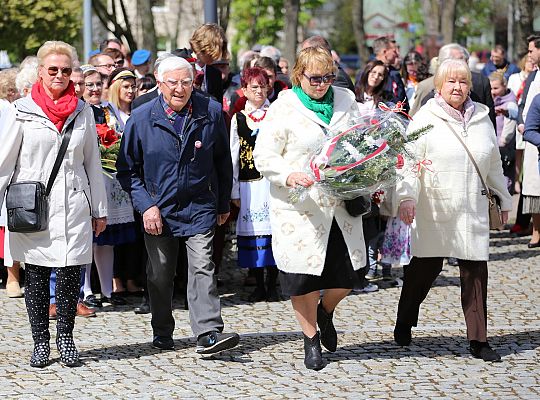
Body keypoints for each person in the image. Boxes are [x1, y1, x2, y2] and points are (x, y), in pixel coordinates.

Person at [116, 56, 240, 354]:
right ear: (160, 84)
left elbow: (223, 161)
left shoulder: (210, 111)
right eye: (173, 82)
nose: (180, 89)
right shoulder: (142, 118)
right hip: (159, 208)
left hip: (199, 205)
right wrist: (146, 206)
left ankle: (208, 331)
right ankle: (162, 328)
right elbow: (127, 169)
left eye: (186, 82)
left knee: (203, 267)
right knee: (159, 273)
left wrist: (222, 202)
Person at [253, 46, 366, 370]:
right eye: (315, 78)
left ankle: (325, 311)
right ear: (298, 76)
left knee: (347, 277)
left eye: (328, 77)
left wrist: (364, 168)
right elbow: (265, 155)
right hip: (300, 208)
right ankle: (310, 338)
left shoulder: (346, 100)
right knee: (301, 279)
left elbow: (359, 143)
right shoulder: (284, 107)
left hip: (340, 205)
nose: (322, 84)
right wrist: (288, 174)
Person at [393, 59, 512, 362]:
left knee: (475, 272)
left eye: (463, 81)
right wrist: (406, 198)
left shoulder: (483, 118)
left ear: (470, 86)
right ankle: (405, 319)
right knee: (423, 272)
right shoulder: (424, 119)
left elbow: (493, 163)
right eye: (451, 81)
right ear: (439, 85)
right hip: (435, 208)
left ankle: (479, 339)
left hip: (471, 207)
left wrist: (504, 197)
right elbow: (408, 164)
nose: (457, 87)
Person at [0, 41, 107, 367]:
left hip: (73, 202)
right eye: (53, 70)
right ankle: (41, 341)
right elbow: (4, 162)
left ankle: (66, 337)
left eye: (64, 69)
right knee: (34, 273)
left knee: (71, 270)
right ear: (41, 72)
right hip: (32, 205)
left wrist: (99, 208)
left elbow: (92, 164)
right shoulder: (21, 111)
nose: (59, 75)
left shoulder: (82, 111)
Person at [229, 67, 278, 302]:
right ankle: (258, 283)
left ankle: (274, 283)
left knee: (275, 231)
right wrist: (233, 189)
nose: (259, 91)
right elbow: (233, 155)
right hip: (249, 184)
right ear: (245, 90)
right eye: (254, 87)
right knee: (255, 232)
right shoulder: (238, 119)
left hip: (273, 183)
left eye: (262, 86)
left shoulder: (277, 114)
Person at [489, 71, 517, 193]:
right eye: (490, 88)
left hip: (503, 148)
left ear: (504, 86)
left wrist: (502, 141)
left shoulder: (509, 103)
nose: (493, 91)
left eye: (496, 88)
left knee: (504, 180)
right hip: (494, 146)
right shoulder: (492, 100)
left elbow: (511, 121)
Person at [373, 36, 409, 112]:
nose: (397, 54)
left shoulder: (394, 73)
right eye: (394, 51)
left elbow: (403, 100)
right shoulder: (368, 73)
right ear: (384, 52)